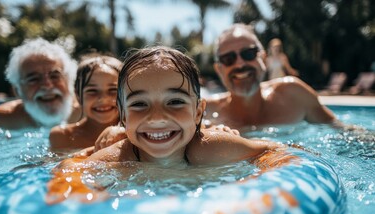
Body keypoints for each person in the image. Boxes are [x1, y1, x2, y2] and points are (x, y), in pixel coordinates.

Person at [46, 46, 282, 203]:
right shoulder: (117, 158)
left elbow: (276, 152)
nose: (157, 117)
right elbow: (67, 176)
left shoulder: (213, 147)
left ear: (198, 112)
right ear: (123, 117)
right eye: (139, 104)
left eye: (175, 101)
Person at [205, 23, 336, 131]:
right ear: (219, 69)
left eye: (248, 54)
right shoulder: (206, 112)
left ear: (263, 57)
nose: (240, 64)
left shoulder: (294, 95)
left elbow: (343, 132)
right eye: (228, 58)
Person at [0, 37, 80, 132]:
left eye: (54, 76)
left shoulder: (88, 113)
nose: (47, 85)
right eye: (34, 79)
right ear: (17, 91)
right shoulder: (3, 121)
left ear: (69, 81)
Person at [49, 55, 121, 151]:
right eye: (92, 91)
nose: (103, 99)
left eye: (113, 90)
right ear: (78, 96)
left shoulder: (136, 134)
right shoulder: (62, 137)